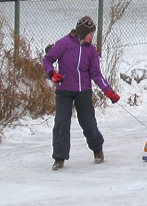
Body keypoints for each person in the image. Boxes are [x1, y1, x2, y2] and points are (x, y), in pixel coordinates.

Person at [43, 16, 120, 170]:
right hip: (64, 90)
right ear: (82, 32)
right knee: (61, 123)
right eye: (90, 33)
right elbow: (48, 59)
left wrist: (108, 91)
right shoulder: (64, 43)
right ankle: (59, 158)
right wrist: (52, 73)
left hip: (83, 91)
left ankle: (97, 149)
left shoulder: (91, 50)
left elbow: (96, 73)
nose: (92, 36)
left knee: (88, 123)